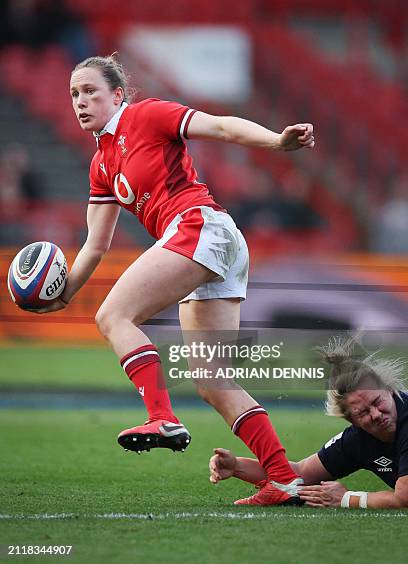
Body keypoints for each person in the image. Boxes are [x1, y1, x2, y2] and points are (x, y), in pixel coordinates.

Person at [26, 54, 314, 506]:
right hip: (209, 241)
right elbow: (94, 247)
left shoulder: (147, 115)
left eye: (90, 92)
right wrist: (61, 297)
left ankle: (161, 417)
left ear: (118, 94)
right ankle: (282, 479)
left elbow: (220, 127)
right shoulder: (101, 163)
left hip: (200, 226)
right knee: (213, 383)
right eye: (73, 95)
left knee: (114, 315)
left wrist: (278, 143)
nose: (80, 102)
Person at [209, 337, 408, 508]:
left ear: (389, 390)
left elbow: (404, 497)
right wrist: (236, 467)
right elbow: (299, 474)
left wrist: (347, 499)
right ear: (351, 420)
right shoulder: (357, 439)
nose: (376, 414)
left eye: (377, 402)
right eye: (362, 412)